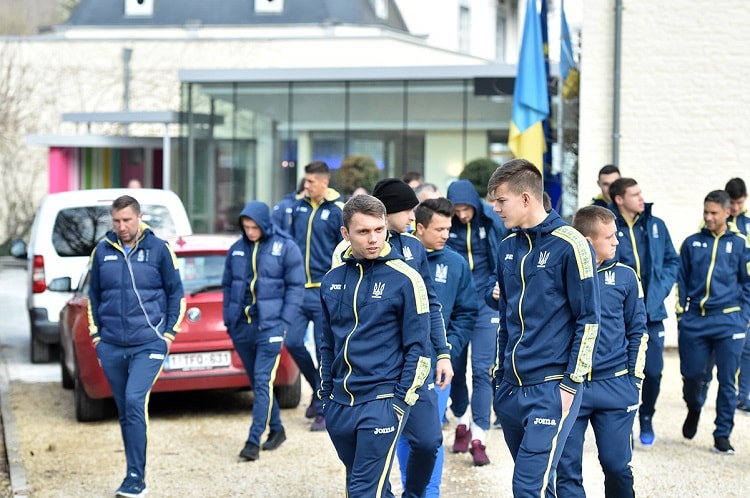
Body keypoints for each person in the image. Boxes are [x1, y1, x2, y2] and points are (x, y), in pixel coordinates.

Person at [486, 159, 600, 497]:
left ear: (525, 198)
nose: (495, 209)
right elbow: (505, 318)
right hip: (510, 389)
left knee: (526, 487)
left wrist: (570, 384)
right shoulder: (507, 247)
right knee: (540, 484)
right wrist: (499, 378)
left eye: (501, 200)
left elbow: (589, 319)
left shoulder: (571, 244)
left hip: (551, 388)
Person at [334, 178, 451, 497]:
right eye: (407, 210)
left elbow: (431, 303)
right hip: (373, 375)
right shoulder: (345, 254)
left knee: (428, 441)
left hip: (415, 365)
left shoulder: (414, 247)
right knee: (369, 460)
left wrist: (442, 353)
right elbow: (340, 318)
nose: (413, 216)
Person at [87, 195, 185, 498]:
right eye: (116, 221)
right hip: (112, 345)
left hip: (149, 343)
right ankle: (132, 471)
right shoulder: (101, 251)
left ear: (139, 217)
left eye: (127, 220)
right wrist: (97, 338)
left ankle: (135, 479)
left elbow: (177, 294)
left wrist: (168, 335)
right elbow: (93, 297)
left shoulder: (159, 249)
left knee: (133, 400)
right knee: (124, 409)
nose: (122, 226)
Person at [557, 205, 648, 498]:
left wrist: (634, 380)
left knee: (617, 466)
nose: (616, 242)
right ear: (587, 241)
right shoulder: (562, 273)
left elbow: (638, 331)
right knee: (566, 470)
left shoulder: (626, 276)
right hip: (571, 387)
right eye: (609, 237)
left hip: (616, 385)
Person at [396, 196, 477, 497]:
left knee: (430, 437)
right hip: (399, 365)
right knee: (403, 433)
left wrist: (448, 350)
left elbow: (467, 312)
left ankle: (430, 493)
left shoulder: (456, 263)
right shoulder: (396, 258)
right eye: (439, 229)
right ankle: (410, 489)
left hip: (437, 368)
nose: (446, 235)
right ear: (419, 228)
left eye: (448, 229)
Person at [222, 201, 305, 461]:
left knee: (261, 381)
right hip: (241, 327)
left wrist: (284, 323)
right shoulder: (236, 249)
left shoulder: (286, 247)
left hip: (271, 327)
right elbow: (228, 286)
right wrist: (229, 320)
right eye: (246, 227)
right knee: (261, 385)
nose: (250, 232)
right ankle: (277, 429)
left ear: (264, 224)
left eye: (254, 227)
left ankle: (252, 441)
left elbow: (296, 287)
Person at [676, 190, 750, 454]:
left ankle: (722, 435)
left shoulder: (741, 244)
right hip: (695, 320)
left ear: (727, 213)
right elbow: (681, 279)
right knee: (692, 376)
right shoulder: (691, 243)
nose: (708, 217)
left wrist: (743, 317)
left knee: (728, 380)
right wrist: (682, 313)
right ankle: (694, 406)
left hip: (729, 321)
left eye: (714, 213)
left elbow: (747, 283)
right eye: (705, 212)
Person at [608, 177, 679, 447]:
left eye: (641, 193)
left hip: (652, 313)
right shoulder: (609, 226)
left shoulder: (656, 225)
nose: (641, 198)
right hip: (619, 317)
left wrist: (659, 291)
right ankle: (623, 424)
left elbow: (671, 261)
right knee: (620, 372)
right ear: (619, 199)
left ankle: (646, 416)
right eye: (635, 194)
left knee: (653, 371)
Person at [445, 178, 506, 465]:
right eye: (456, 210)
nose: (462, 215)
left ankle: (479, 436)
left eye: (466, 209)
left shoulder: (491, 222)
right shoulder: (446, 226)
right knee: (453, 369)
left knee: (483, 370)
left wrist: (499, 287)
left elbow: (503, 256)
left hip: (485, 305)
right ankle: (462, 421)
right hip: (456, 307)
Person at [287, 160, 345, 431]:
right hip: (298, 290)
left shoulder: (337, 210)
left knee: (325, 353)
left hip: (324, 291)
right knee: (292, 342)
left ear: (324, 182)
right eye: (306, 180)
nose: (306, 185)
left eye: (311, 181)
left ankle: (325, 408)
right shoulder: (298, 207)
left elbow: (344, 251)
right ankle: (318, 390)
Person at [725, 178, 750, 413]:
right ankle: (702, 389)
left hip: (745, 294)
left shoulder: (748, 222)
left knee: (747, 348)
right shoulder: (715, 219)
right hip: (724, 296)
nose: (735, 207)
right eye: (731, 202)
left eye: (739, 203)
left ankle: (742, 396)